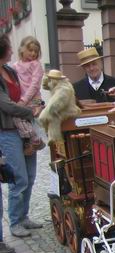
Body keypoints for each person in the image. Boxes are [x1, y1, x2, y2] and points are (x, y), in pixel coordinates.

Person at [0, 35, 43, 240]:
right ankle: (15, 221)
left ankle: (24, 216)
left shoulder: (10, 70)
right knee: (19, 178)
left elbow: (30, 89)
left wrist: (38, 104)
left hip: (25, 128)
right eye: (9, 47)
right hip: (8, 131)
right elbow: (6, 105)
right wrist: (28, 111)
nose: (12, 50)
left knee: (31, 175)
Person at [10, 36, 45, 156]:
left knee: (28, 120)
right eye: (30, 50)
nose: (33, 53)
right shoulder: (14, 66)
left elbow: (35, 85)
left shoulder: (36, 65)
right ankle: (29, 142)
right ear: (22, 50)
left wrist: (23, 100)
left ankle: (35, 141)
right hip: (21, 100)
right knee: (20, 121)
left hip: (34, 99)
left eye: (36, 51)